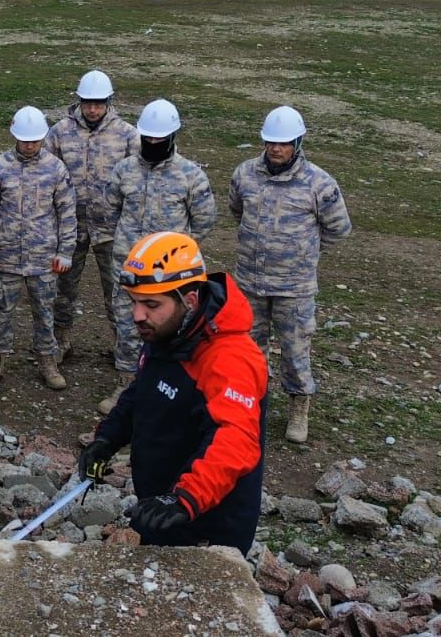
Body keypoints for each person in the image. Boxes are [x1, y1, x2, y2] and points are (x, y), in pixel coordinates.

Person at [77, 231, 265, 554]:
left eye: (151, 304)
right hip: (161, 508)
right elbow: (142, 390)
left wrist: (185, 498)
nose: (138, 315)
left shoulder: (230, 358)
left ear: (189, 300)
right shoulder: (170, 332)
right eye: (133, 302)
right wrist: (106, 439)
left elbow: (236, 439)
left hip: (205, 524)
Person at [228, 105, 352, 444]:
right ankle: (249, 406)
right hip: (250, 283)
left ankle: (299, 406)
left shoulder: (320, 184)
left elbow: (338, 229)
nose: (276, 149)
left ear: (297, 143)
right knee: (248, 351)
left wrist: (303, 253)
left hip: (293, 288)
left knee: (295, 351)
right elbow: (236, 211)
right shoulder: (244, 175)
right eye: (271, 143)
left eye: (283, 143)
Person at [101, 98, 216, 413]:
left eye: (158, 138)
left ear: (172, 137)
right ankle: (126, 387)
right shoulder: (124, 170)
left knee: (171, 330)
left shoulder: (190, 175)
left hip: (170, 278)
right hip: (129, 269)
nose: (152, 143)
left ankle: (166, 390)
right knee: (127, 326)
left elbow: (204, 221)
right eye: (147, 137)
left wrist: (177, 254)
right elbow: (109, 210)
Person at [0, 106, 76, 390]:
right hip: (5, 258)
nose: (30, 145)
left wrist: (65, 251)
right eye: (25, 140)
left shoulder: (56, 168)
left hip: (44, 259)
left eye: (35, 140)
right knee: (2, 311)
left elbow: (67, 212)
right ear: (15, 137)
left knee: (45, 312)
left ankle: (47, 361)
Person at [44, 70, 138, 360]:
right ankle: (61, 341)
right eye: (88, 103)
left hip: (112, 229)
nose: (93, 109)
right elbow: (48, 174)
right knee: (63, 288)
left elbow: (136, 180)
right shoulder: (59, 132)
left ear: (108, 101)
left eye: (98, 103)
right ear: (79, 101)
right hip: (70, 228)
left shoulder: (127, 134)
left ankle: (122, 345)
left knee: (119, 290)